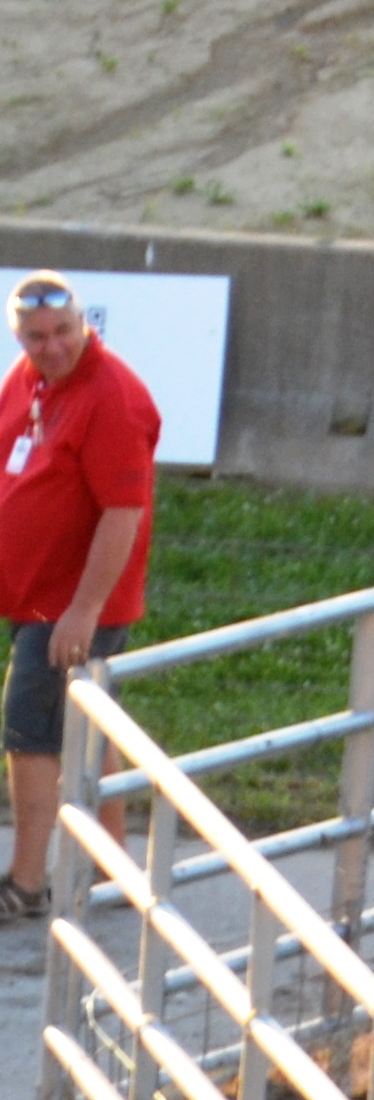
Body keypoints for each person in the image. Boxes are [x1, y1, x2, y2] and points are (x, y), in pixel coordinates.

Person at [0, 274, 159, 923]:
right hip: (33, 592)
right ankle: (115, 867)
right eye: (37, 337)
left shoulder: (112, 395)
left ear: (83, 323)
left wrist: (85, 610)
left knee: (30, 730)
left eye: (63, 331)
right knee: (88, 727)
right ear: (21, 336)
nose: (52, 346)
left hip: (68, 606)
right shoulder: (28, 375)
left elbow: (124, 510)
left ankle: (27, 883)